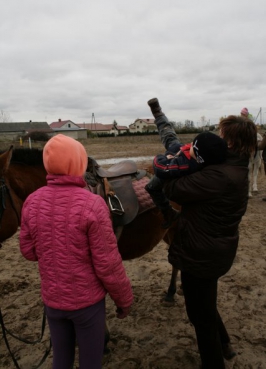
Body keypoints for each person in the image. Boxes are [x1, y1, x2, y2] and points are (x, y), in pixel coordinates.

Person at [19, 134, 134, 369]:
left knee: (61, 359)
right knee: (90, 362)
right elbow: (107, 263)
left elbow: (28, 251)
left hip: (53, 302)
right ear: (79, 164)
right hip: (87, 305)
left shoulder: (32, 201)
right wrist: (124, 299)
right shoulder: (93, 204)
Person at [163, 114, 258, 369]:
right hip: (214, 249)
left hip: (201, 254)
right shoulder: (234, 167)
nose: (218, 138)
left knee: (199, 315)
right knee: (205, 302)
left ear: (231, 142)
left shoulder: (219, 175)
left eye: (221, 134)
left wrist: (175, 164)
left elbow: (173, 189)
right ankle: (225, 343)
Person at [146, 98, 227, 228]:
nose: (190, 146)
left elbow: (160, 167)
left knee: (151, 187)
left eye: (193, 147)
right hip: (180, 152)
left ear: (198, 157)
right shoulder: (199, 156)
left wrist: (163, 157)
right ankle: (158, 114)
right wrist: (186, 149)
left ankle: (168, 212)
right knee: (169, 135)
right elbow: (191, 149)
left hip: (173, 160)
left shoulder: (183, 165)